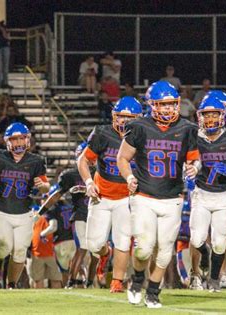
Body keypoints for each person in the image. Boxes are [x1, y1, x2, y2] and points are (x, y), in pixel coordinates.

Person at [117, 81, 200, 308]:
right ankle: (137, 280)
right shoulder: (140, 126)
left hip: (173, 197)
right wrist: (129, 177)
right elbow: (122, 158)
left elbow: (194, 159)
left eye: (172, 104)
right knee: (144, 248)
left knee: (165, 250)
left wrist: (195, 167)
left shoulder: (186, 128)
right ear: (152, 105)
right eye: (163, 105)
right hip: (144, 196)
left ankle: (153, 291)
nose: (168, 109)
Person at [78, 96, 143, 293]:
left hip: (127, 198)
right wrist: (89, 182)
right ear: (114, 116)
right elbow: (82, 160)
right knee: (94, 244)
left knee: (124, 240)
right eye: (121, 117)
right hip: (102, 196)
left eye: (130, 118)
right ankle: (105, 253)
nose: (124, 121)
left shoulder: (144, 136)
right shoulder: (103, 134)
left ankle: (117, 281)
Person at [188, 95, 226, 292]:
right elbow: (189, 160)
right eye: (207, 115)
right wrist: (193, 168)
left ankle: (214, 279)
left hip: (223, 195)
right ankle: (205, 254)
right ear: (200, 116)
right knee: (197, 239)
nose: (210, 119)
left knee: (220, 243)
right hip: (201, 194)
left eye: (215, 115)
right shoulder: (194, 137)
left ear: (223, 116)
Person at [0, 122, 49, 289]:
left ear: (28, 140)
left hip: (24, 213)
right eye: (15, 139)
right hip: (2, 211)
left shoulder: (36, 161)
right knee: (3, 247)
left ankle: (11, 284)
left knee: (19, 252)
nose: (19, 143)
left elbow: (46, 185)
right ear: (7, 141)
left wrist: (43, 186)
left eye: (22, 138)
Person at [39, 142, 98, 289]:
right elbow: (56, 195)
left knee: (97, 251)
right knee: (83, 247)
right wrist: (41, 211)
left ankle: (90, 282)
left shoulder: (100, 173)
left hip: (98, 214)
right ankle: (71, 281)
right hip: (80, 214)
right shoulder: (71, 175)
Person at [40, 187, 76, 284]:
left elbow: (53, 227)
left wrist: (42, 235)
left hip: (61, 242)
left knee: (64, 272)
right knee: (76, 269)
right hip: (74, 241)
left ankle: (68, 290)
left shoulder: (53, 208)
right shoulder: (71, 205)